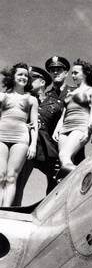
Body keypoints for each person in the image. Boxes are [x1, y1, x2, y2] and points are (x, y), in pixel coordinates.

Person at [14, 66, 63, 205]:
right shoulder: (24, 98)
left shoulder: (56, 102)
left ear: (42, 83)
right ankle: (12, 210)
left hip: (47, 147)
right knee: (18, 181)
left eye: (32, 78)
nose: (28, 81)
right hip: (27, 142)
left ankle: (53, 210)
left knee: (60, 177)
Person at [0, 63, 38, 207]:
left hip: (21, 138)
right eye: (20, 74)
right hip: (1, 136)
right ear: (12, 77)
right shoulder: (2, 96)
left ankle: (5, 211)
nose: (23, 78)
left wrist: (33, 144)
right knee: (0, 176)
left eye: (26, 76)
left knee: (11, 177)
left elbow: (34, 125)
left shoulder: (31, 99)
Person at [54, 59, 92, 176]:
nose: (73, 75)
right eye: (72, 73)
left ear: (85, 73)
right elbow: (64, 113)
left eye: (76, 73)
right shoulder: (70, 92)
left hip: (80, 126)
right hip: (65, 129)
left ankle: (82, 177)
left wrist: (89, 129)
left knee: (64, 155)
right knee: (64, 161)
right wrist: (58, 128)